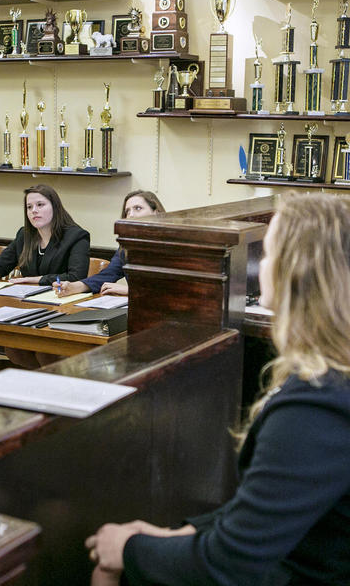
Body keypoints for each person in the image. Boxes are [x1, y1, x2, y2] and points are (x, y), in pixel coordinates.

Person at [85, 193, 350, 586]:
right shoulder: (328, 378)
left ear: (298, 272)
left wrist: (128, 549)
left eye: (270, 252)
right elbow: (265, 509)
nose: (262, 267)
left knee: (109, 570)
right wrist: (180, 533)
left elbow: (229, 563)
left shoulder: (317, 406)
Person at [0, 183, 90, 368]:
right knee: (14, 349)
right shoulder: (25, 235)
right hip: (28, 308)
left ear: (55, 207)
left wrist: (38, 280)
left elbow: (76, 276)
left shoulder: (76, 236)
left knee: (46, 353)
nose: (34, 211)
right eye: (29, 207)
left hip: (61, 309)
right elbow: (0, 264)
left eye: (40, 205)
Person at [53, 191, 164, 298]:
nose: (131, 215)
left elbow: (170, 290)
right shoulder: (126, 247)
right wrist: (74, 287)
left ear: (156, 212)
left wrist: (130, 290)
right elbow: (108, 275)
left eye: (138, 208)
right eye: (127, 211)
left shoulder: (171, 245)